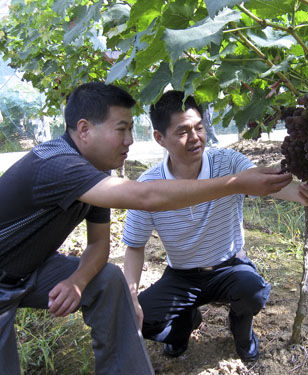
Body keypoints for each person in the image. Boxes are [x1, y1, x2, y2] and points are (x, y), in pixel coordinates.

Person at [0, 82, 292, 375]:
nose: (129, 140)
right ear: (85, 129)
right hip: (6, 275)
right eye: (121, 129)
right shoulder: (57, 164)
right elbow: (146, 198)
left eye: (130, 130)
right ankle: (180, 326)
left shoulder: (96, 175)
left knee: (107, 280)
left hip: (31, 269)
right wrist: (237, 183)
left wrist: (77, 281)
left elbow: (99, 246)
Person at [122, 91, 308, 362]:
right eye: (183, 131)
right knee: (139, 318)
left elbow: (270, 184)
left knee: (253, 290)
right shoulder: (147, 186)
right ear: (159, 138)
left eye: (199, 127)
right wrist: (131, 293)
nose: (196, 137)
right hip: (182, 276)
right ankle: (182, 327)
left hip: (229, 267)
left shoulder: (228, 162)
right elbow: (135, 245)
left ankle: (241, 329)